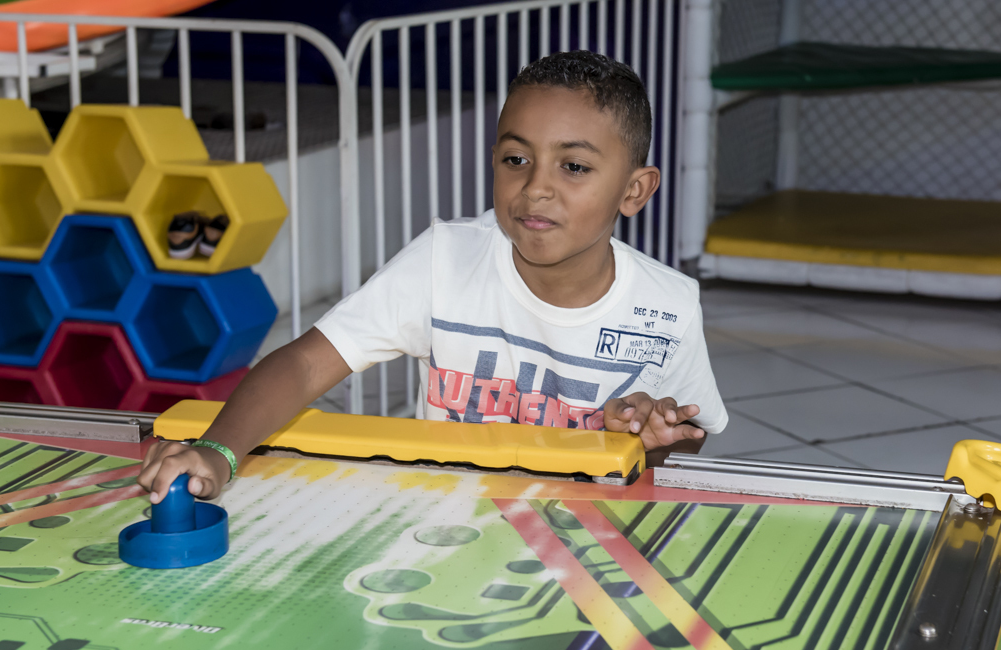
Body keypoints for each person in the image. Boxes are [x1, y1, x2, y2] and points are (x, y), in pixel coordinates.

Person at [138, 50, 727, 504]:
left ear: (634, 189)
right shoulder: (445, 260)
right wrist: (218, 452)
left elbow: (692, 432)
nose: (536, 186)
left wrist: (653, 430)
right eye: (515, 159)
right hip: (443, 528)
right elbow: (307, 362)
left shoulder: (669, 306)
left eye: (573, 166)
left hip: (591, 542)